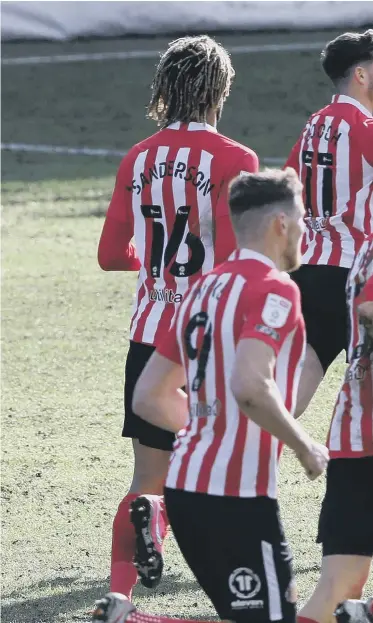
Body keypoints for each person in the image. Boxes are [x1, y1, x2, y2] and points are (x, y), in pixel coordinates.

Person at [93, 169, 329, 623]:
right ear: (281, 223)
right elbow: (250, 386)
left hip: (182, 490)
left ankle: (132, 618)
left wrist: (212, 430)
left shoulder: (203, 289)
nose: (305, 230)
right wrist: (305, 447)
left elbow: (149, 396)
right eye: (302, 218)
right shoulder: (276, 289)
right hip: (237, 498)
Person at [97, 34, 259, 598]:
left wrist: (155, 264)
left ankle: (121, 592)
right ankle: (242, 580)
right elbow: (240, 256)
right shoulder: (237, 159)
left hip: (148, 339)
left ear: (164, 89)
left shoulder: (136, 157)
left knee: (148, 477)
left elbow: (111, 256)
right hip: (206, 339)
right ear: (220, 90)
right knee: (227, 464)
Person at [284, 29, 373, 418]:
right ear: (361, 74)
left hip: (311, 270)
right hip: (359, 276)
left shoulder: (312, 126)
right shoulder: (366, 128)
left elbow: (287, 185)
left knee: (295, 386)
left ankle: (243, 465)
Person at [297, 236, 373, 623]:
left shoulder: (365, 248)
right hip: (362, 442)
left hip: (354, 436)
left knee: (338, 591)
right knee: (340, 589)